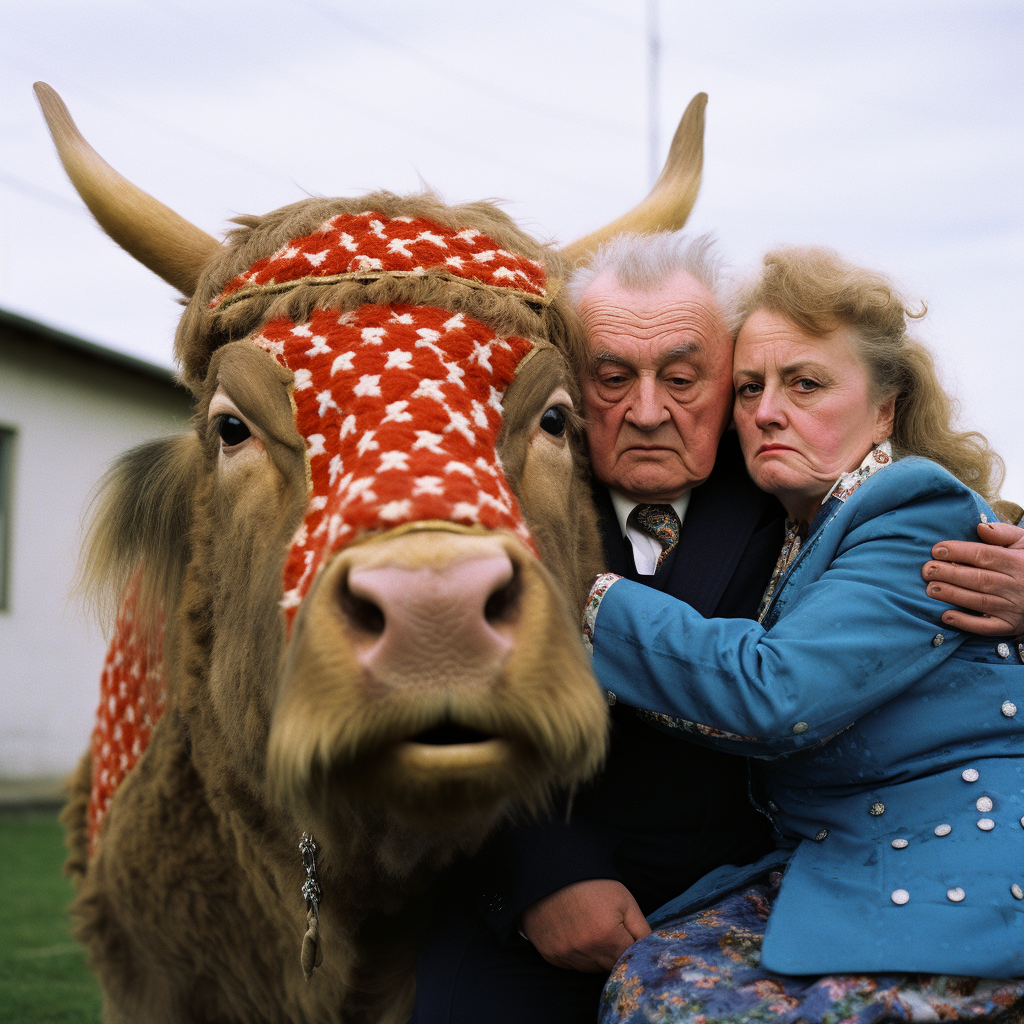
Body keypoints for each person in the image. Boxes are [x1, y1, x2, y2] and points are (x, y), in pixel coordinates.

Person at [410, 235, 1024, 1024]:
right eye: (611, 378)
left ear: (885, 408)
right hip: (537, 905)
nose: (648, 410)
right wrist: (543, 874)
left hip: (819, 890)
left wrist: (566, 586)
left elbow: (792, 679)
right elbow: (428, 700)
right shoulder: (484, 499)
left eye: (683, 378)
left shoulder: (818, 481)